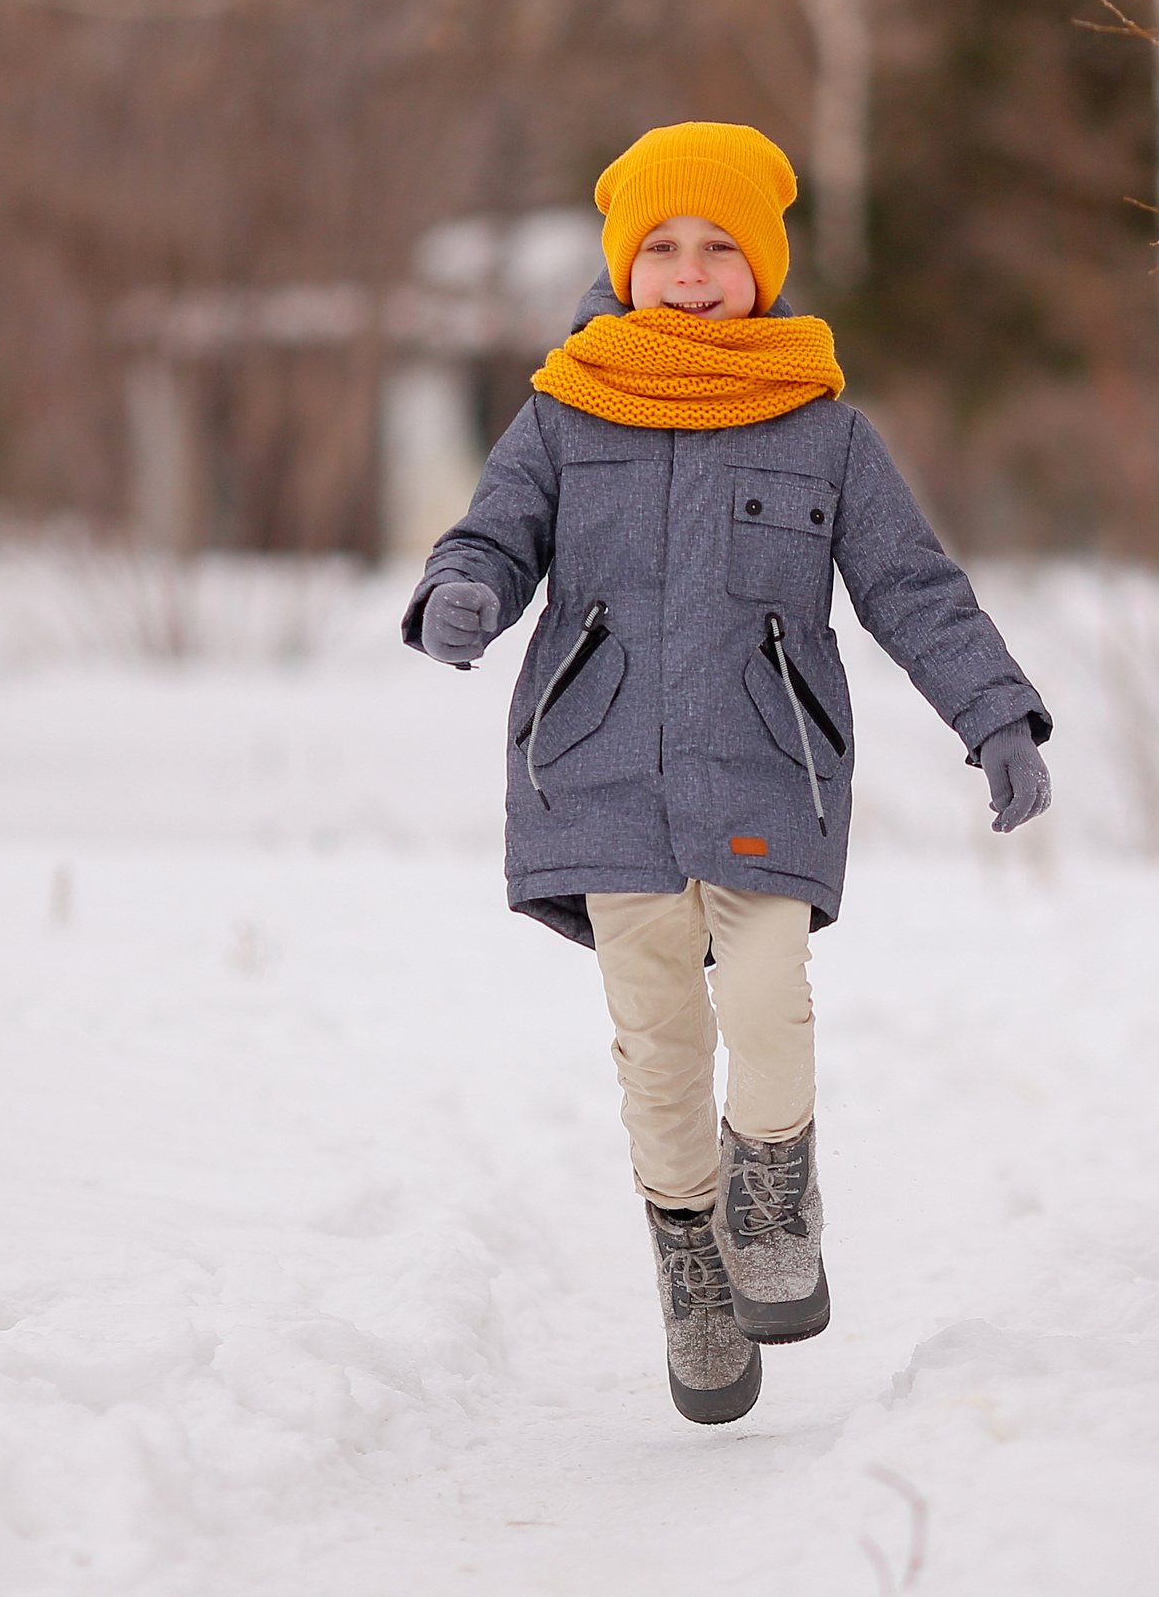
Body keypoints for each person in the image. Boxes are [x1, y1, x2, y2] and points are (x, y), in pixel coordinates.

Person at [403, 122, 1052, 1424]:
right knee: (658, 1044)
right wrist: (461, 592)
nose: (690, 273)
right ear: (622, 264)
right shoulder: (564, 410)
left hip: (768, 772)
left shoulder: (822, 431)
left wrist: (997, 718)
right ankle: (691, 1255)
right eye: (662, 248)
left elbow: (912, 591)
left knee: (766, 1007)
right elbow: (492, 536)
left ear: (762, 264)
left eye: (718, 248)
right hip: (597, 773)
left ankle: (772, 1183)